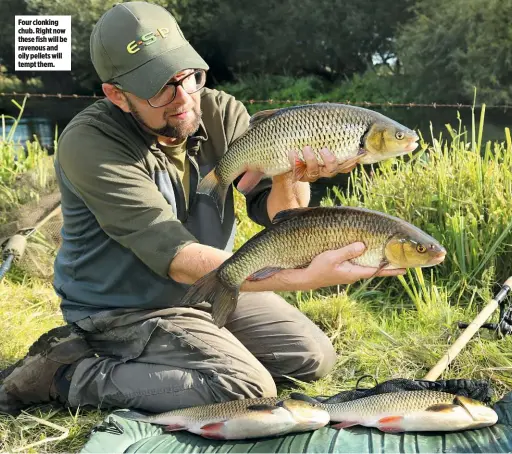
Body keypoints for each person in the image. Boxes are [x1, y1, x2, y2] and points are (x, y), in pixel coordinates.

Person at [0, 1, 405, 414]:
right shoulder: (90, 144)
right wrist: (301, 279)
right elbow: (180, 258)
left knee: (311, 358)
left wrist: (290, 171)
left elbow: (281, 218)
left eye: (189, 76)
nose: (183, 98)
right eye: (159, 86)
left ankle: (179, 357)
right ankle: (62, 373)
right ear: (116, 95)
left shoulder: (222, 112)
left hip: (204, 290)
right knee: (244, 390)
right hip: (122, 306)